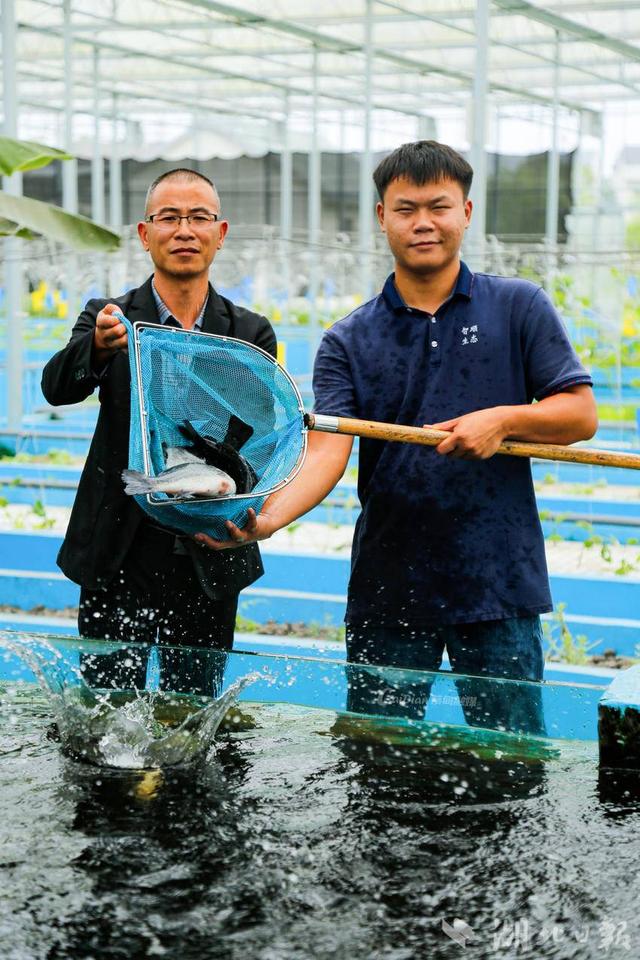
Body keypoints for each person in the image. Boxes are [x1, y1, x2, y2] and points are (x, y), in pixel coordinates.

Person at [198, 140, 598, 732]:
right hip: (390, 586)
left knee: (512, 763)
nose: (423, 223)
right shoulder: (348, 340)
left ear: (465, 212)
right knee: (378, 764)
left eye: (439, 206)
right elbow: (328, 453)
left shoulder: (518, 307)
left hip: (498, 583)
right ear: (382, 218)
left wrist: (504, 419)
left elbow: (579, 413)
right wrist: (265, 518)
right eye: (406, 209)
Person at [41, 168, 276, 693]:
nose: (185, 230)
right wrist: (98, 348)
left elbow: (256, 438)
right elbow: (57, 388)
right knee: (106, 708)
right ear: (146, 234)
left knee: (193, 709)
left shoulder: (248, 332)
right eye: (169, 217)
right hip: (118, 545)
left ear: (221, 233)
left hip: (207, 547)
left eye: (199, 218)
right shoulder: (112, 317)